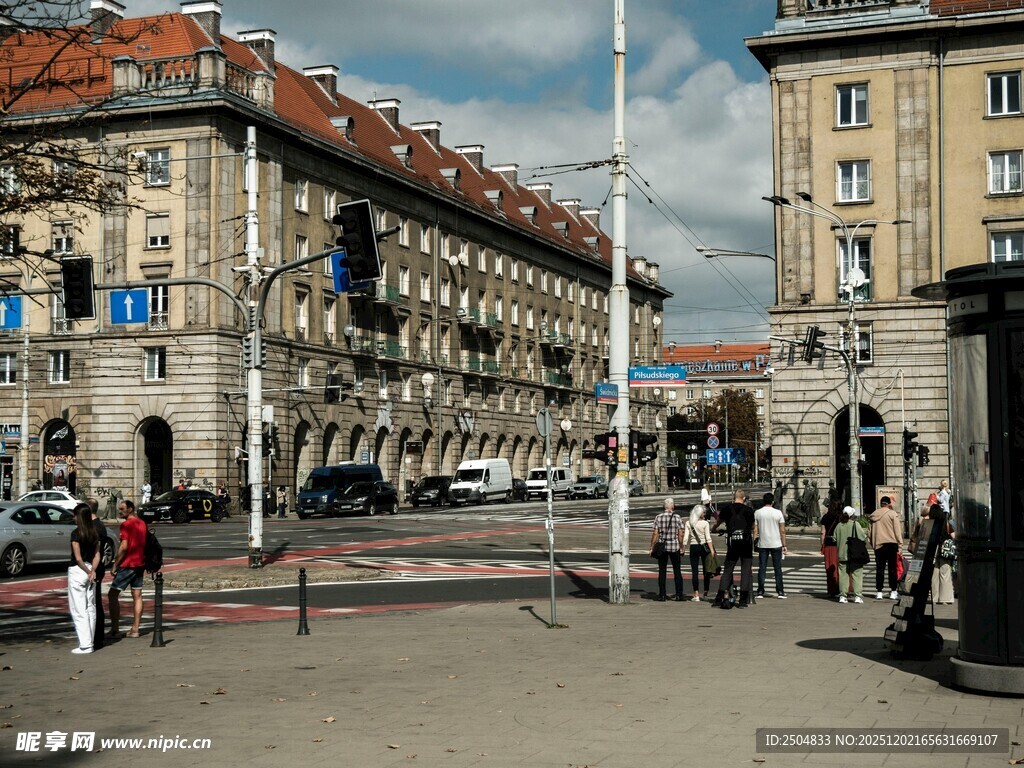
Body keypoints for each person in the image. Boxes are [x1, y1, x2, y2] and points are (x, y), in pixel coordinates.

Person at [108, 499, 146, 638]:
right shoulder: (141, 523)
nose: (120, 511)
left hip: (128, 564)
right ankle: (135, 629)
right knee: (137, 595)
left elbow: (124, 547)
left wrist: (115, 564)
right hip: (140, 563)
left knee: (112, 595)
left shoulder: (126, 525)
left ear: (130, 509)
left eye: (122, 509)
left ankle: (114, 629)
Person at [712, 489, 756, 608]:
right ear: (744, 499)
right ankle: (742, 600)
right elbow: (753, 526)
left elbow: (718, 521)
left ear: (733, 497)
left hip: (733, 542)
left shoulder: (727, 509)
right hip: (746, 542)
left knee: (728, 569)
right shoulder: (748, 510)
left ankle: (719, 597)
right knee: (746, 570)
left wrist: (714, 528)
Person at [68, 504, 100, 654]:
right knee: (90, 607)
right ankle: (90, 641)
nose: (73, 518)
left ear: (79, 517)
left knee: (78, 608)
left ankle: (85, 644)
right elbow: (97, 555)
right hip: (90, 571)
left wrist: (87, 571)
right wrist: (93, 570)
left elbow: (78, 558)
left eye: (75, 515)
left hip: (78, 571)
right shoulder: (94, 533)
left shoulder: (76, 534)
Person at [649, 498, 685, 601]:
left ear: (664, 506)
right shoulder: (677, 518)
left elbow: (655, 533)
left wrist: (652, 546)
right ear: (673, 506)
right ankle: (679, 594)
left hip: (662, 547)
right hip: (674, 546)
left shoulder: (658, 517)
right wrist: (681, 547)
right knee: (677, 570)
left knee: (662, 570)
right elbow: (680, 534)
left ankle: (662, 595)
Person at [754, 492, 787, 599]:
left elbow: (755, 530)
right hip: (776, 543)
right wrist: (784, 545)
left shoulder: (758, 513)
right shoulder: (778, 513)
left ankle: (760, 591)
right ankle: (780, 591)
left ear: (764, 501)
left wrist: (755, 541)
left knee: (762, 567)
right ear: (772, 502)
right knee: (777, 568)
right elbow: (782, 531)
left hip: (763, 543)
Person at [869, 495, 903, 600]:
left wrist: (873, 544)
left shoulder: (873, 515)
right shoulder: (893, 514)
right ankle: (893, 591)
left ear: (880, 504)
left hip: (879, 545)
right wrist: (900, 544)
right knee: (892, 568)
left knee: (880, 569)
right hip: (891, 544)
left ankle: (879, 591)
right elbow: (897, 531)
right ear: (889, 504)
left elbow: (869, 533)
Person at [682, 503, 716, 601]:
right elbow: (708, 538)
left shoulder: (689, 523)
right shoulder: (705, 523)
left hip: (693, 547)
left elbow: (686, 537)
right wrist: (712, 550)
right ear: (699, 513)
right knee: (706, 571)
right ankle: (705, 592)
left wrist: (683, 547)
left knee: (695, 571)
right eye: (703, 512)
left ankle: (696, 594)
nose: (705, 514)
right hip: (704, 547)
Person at [86, 498, 107, 649]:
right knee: (94, 602)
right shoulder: (98, 525)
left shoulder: (95, 528)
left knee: (93, 603)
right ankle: (96, 635)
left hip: (95, 569)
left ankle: (96, 636)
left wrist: (91, 569)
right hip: (97, 568)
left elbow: (96, 552)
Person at [835, 506, 867, 603]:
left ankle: (842, 595)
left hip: (842, 554)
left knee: (843, 575)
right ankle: (857, 595)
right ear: (852, 515)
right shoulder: (855, 524)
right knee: (857, 574)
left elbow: (834, 538)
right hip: (855, 554)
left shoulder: (839, 525)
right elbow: (862, 537)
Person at [930, 504, 955, 604]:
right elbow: (953, 536)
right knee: (945, 574)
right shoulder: (946, 523)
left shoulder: (930, 523)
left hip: (933, 550)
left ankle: (934, 598)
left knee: (934, 575)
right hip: (945, 550)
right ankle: (945, 599)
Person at [819, 500, 843, 598]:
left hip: (829, 544)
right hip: (840, 544)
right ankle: (841, 588)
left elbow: (822, 532)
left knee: (830, 568)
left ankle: (832, 590)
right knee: (840, 568)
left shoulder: (825, 517)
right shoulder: (841, 517)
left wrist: (822, 544)